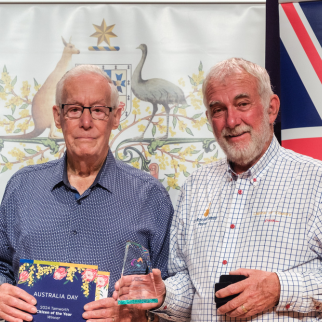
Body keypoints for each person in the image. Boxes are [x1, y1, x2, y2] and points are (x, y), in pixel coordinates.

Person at [114, 58, 322, 321]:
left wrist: (280, 288)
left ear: (271, 108)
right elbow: (190, 285)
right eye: (218, 109)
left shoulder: (316, 181)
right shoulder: (196, 185)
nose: (231, 120)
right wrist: (165, 294)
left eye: (242, 104)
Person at [0, 65, 173, 322]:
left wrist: (135, 315)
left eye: (98, 110)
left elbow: (171, 294)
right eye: (74, 110)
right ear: (58, 117)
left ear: (116, 117)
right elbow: (2, 267)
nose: (86, 122)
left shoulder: (150, 196)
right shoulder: (21, 188)